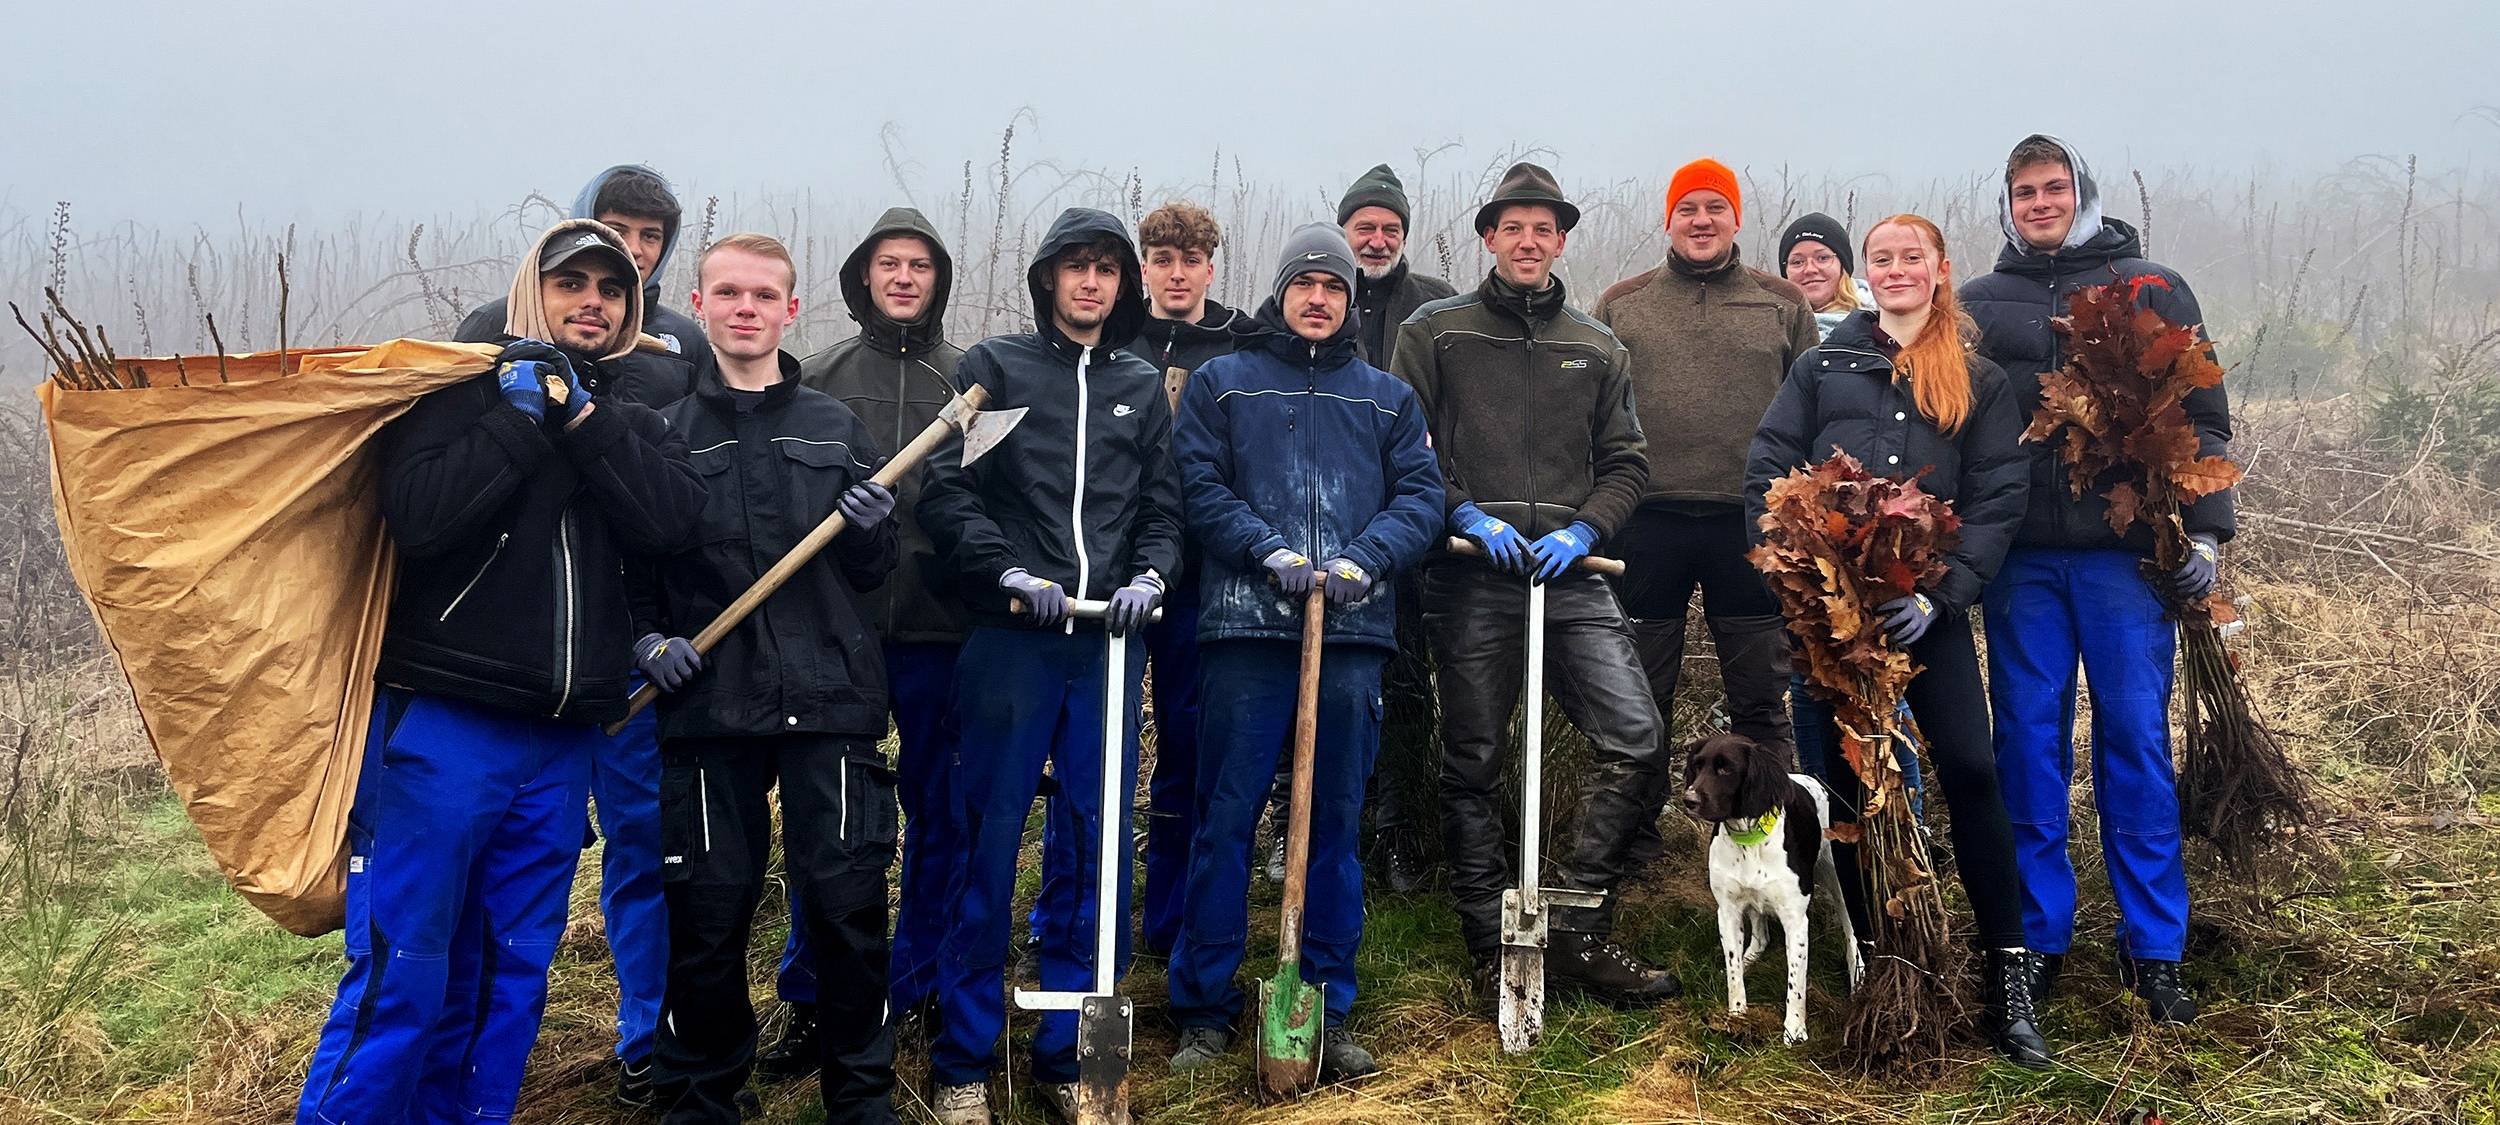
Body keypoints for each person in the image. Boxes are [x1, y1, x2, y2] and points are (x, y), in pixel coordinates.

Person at [296, 220, 705, 1123]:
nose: (591, 302)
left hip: (560, 748)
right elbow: (422, 519)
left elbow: (671, 522)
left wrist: (580, 417)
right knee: (405, 967)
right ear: (533, 294)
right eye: (571, 285)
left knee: (512, 976)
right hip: (443, 726)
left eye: (610, 289)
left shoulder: (633, 422)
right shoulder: (454, 398)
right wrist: (519, 416)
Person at [1745, 213, 2050, 1067]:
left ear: (1941, 269)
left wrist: (1945, 597)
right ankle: (1887, 968)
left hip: (1924, 618)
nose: (1898, 270)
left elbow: (1998, 498)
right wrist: (1798, 580)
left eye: (1913, 257)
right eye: (1883, 259)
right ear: (1865, 274)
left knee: (1972, 769)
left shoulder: (1979, 380)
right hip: (1832, 625)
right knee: (1847, 788)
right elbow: (1767, 465)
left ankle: (2008, 972)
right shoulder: (1821, 367)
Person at [1392, 162, 1681, 1005]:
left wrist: (1586, 527)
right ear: (1489, 236)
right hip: (1471, 575)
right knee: (1473, 761)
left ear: (1562, 239)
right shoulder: (1434, 332)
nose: (1528, 241)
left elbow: (1628, 463)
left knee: (1637, 737)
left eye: (1544, 228)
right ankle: (1493, 943)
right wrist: (1466, 516)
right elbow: (1405, 450)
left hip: (1574, 574)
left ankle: (1574, 924)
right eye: (1512, 227)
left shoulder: (1596, 345)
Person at [451, 164, 708, 1104]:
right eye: (614, 233)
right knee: (510, 876)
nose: (630, 257)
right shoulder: (491, 331)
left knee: (642, 846)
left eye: (648, 241)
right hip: (516, 664)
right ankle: (469, 1055)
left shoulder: (678, 346)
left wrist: (650, 627)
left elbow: (670, 502)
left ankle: (646, 1032)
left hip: (630, 655)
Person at [1963, 134, 2234, 1026]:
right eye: (2024, 192)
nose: (2039, 203)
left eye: (2053, 188)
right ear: (2007, 204)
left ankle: (2154, 947)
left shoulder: (2149, 285)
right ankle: (2039, 940)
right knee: (2028, 749)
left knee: (2134, 744)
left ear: (2082, 192)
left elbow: (2205, 417)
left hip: (2127, 566)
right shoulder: (1977, 304)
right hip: (2022, 565)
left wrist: (2206, 534)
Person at [631, 234, 903, 1122]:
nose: (745, 308)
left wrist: (869, 528)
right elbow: (631, 570)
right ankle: (703, 1100)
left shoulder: (832, 426)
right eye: (728, 293)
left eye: (764, 295)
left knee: (849, 910)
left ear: (792, 311)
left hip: (829, 701)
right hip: (709, 704)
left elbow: (873, 574)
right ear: (700, 307)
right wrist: (647, 641)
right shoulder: (663, 435)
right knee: (708, 920)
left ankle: (860, 1099)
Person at [918, 208, 1181, 1125]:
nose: (1092, 283)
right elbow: (947, 491)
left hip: (1107, 644)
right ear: (1046, 279)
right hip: (1013, 644)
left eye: (1108, 268)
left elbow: (1162, 503)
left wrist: (1153, 573)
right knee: (986, 842)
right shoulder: (996, 371)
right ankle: (960, 1061)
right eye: (1075, 267)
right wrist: (1007, 571)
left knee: (1099, 848)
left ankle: (1075, 1060)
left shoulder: (1141, 386)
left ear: (1124, 284)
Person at [1164, 224, 1443, 1080]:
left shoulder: (1387, 398)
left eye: (1333, 286)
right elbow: (1198, 484)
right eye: (1304, 283)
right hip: (1246, 631)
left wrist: (1369, 555)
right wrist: (1264, 549)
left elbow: (1424, 494)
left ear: (1349, 301)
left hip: (1351, 637)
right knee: (1226, 819)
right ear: (1279, 291)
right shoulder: (1224, 383)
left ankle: (1324, 998)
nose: (1319, 298)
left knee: (1333, 827)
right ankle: (1203, 1007)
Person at [762, 208, 968, 1075]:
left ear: (937, 279)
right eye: (890, 263)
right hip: (837, 634)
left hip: (941, 630)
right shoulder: (817, 379)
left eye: (920, 264)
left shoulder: (971, 381)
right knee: (830, 825)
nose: (905, 278)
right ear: (864, 275)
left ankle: (918, 984)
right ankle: (817, 993)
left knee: (940, 817)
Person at [1591, 158, 1816, 868]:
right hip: (1647, 521)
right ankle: (1635, 842)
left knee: (1758, 698)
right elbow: (1593, 412)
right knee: (1640, 693)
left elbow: (1814, 410)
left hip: (1749, 527)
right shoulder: (1623, 305)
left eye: (1715, 207)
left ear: (1736, 219)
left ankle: (1770, 841)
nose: (1701, 220)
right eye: (1687, 208)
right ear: (1668, 219)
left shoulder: (1782, 304)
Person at [1118, 200, 1246, 958]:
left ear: (1209, 266)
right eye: (1162, 261)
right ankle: (1076, 920)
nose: (1176, 274)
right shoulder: (1114, 337)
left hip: (1205, 580)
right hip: (1116, 572)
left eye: (1189, 261)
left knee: (1189, 750)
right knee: (1103, 752)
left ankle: (1174, 917)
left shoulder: (1240, 344)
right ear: (1145, 268)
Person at [1773, 211, 1924, 809]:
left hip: (1886, 553)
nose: (1809, 268)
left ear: (1846, 266)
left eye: (1821, 257)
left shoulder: (1885, 332)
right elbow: (1779, 440)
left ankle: (1904, 830)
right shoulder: (1790, 337)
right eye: (1795, 260)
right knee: (1816, 686)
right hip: (1813, 552)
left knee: (1886, 693)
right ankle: (1832, 843)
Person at [1338, 163, 1459, 892]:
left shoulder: (1437, 305)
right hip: (1328, 525)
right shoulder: (1312, 292)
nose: (1377, 239)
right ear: (1344, 229)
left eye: (1390, 228)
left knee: (1407, 680)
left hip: (1412, 527)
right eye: (1365, 227)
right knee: (1325, 678)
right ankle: (1320, 819)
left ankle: (1398, 828)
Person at [1778, 211, 1875, 341]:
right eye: (1797, 262)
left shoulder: (1879, 326)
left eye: (1822, 258)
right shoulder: (1770, 329)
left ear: (1843, 266)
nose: (1810, 269)